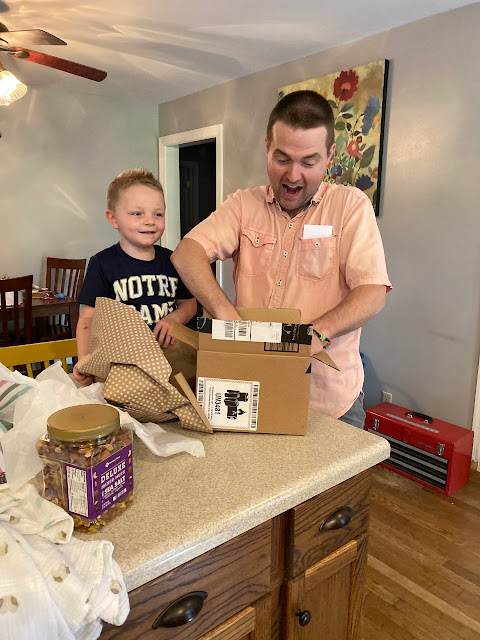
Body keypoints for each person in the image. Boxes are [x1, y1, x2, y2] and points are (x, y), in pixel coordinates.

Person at [171, 90, 391, 428]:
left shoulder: (351, 207)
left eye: (308, 162)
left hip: (328, 400)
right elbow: (187, 254)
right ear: (267, 148)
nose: (292, 176)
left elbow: (372, 293)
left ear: (329, 155)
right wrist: (227, 317)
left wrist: (317, 334)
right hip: (251, 389)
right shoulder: (243, 205)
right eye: (282, 159)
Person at [73, 169, 197, 386]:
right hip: (120, 369)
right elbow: (87, 320)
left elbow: (189, 304)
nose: (150, 221)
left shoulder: (174, 260)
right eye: (137, 214)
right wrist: (85, 360)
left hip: (169, 363)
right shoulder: (102, 263)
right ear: (113, 219)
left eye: (158, 214)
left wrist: (173, 320)